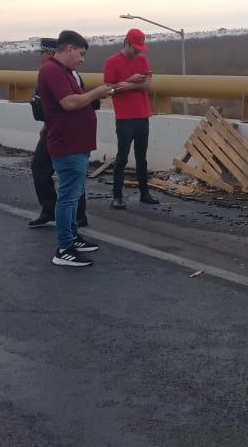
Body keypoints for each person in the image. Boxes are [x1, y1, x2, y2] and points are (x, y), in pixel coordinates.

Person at [36, 29, 139, 267]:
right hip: (67, 144)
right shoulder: (52, 71)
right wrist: (97, 92)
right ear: (69, 49)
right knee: (68, 197)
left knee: (74, 194)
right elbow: (69, 102)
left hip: (76, 143)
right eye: (80, 54)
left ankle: (73, 237)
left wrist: (96, 95)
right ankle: (64, 248)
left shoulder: (65, 72)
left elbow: (76, 100)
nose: (82, 59)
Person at [28, 37, 89, 229]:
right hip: (53, 128)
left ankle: (75, 216)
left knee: (70, 174)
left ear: (50, 53)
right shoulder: (49, 72)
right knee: (43, 169)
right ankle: (51, 210)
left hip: (64, 131)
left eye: (42, 53)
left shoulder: (67, 74)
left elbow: (71, 102)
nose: (40, 57)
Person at [104, 28, 157, 209]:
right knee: (122, 157)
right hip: (125, 117)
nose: (138, 51)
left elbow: (149, 86)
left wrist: (129, 84)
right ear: (126, 43)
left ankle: (145, 193)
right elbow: (108, 89)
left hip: (142, 115)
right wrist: (132, 81)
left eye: (140, 48)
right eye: (135, 47)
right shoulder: (112, 62)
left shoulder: (142, 59)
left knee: (141, 156)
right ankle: (117, 196)